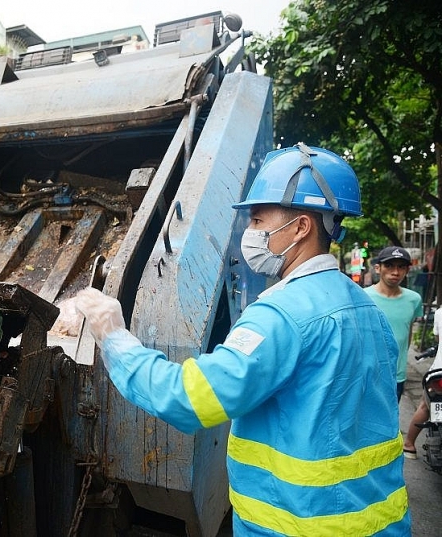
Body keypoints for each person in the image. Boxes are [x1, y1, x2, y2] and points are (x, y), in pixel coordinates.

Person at [76, 143, 410, 535]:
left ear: (301, 227)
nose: (249, 234)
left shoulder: (282, 316)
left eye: (256, 220)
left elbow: (188, 398)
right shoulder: (367, 309)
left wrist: (114, 337)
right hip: (381, 523)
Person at [364, 246, 423, 403]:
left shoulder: (414, 299)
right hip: (367, 374)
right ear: (378, 268)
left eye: (401, 267)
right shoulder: (363, 297)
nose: (395, 272)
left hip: (397, 375)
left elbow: (407, 332)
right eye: (389, 265)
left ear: (407, 270)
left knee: (391, 421)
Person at [403, 307, 442, 458]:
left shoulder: (439, 312)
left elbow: (438, 339)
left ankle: (409, 445)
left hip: (439, 372)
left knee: (425, 407)